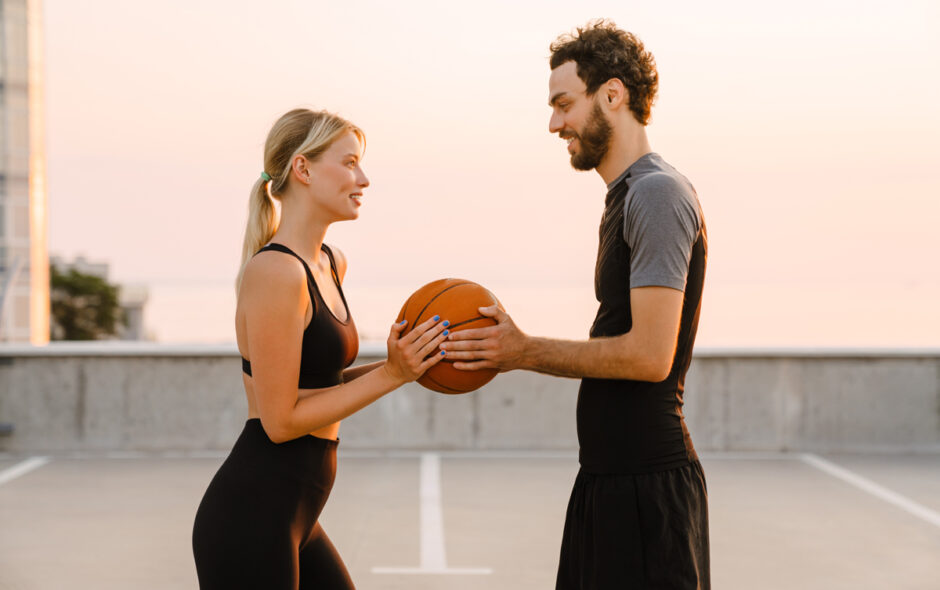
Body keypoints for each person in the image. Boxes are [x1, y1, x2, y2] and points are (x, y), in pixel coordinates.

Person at [441, 21, 710, 589]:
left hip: (647, 489)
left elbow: (648, 356)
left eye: (564, 103)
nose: (554, 123)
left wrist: (522, 350)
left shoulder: (658, 193)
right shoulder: (627, 195)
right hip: (609, 479)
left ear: (613, 94)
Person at [192, 108, 449, 590]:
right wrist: (391, 376)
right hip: (251, 519)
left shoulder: (330, 263)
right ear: (303, 170)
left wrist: (405, 362)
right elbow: (280, 420)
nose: (364, 178)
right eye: (350, 162)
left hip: (297, 516)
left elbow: (320, 386)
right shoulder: (275, 273)